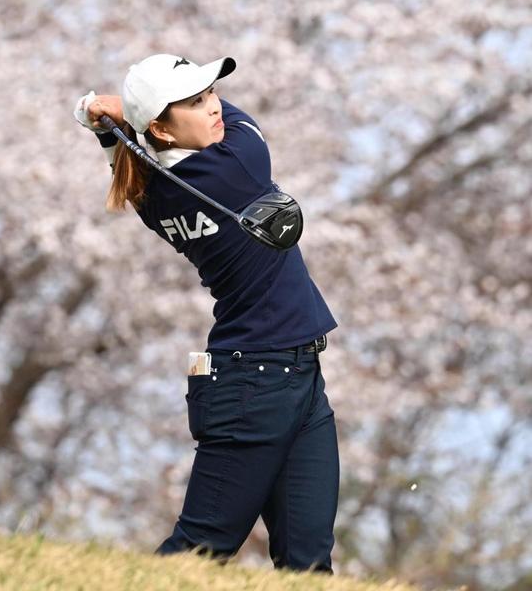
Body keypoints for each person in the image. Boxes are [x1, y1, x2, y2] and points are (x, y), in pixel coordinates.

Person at [73, 54, 340, 573]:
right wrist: (118, 114)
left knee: (308, 565)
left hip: (288, 377)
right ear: (161, 131)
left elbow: (128, 157)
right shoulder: (233, 165)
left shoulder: (151, 192)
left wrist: (115, 124)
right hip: (255, 385)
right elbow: (243, 122)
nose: (215, 106)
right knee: (201, 548)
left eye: (211, 92)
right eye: (194, 102)